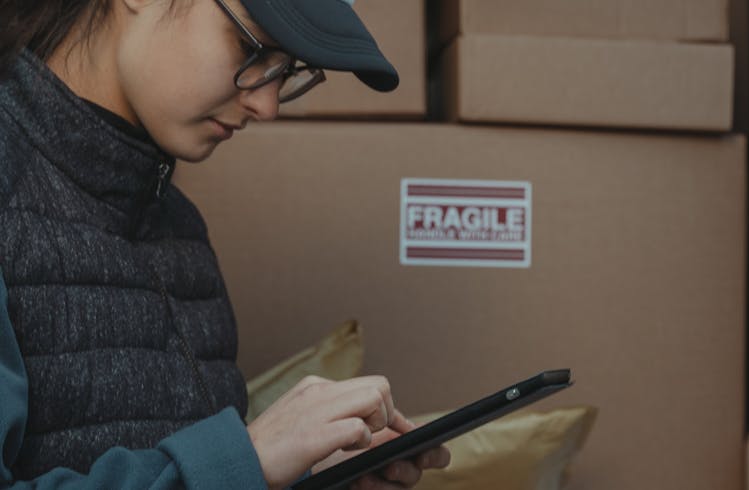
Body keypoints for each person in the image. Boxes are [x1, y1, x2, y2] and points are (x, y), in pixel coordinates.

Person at [0, 0, 450, 488]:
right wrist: (248, 458)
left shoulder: (179, 231)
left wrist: (301, 474)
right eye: (249, 45)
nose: (268, 105)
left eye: (289, 71)